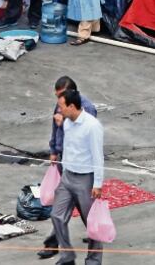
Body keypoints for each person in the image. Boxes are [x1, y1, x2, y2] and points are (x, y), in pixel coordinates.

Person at [38, 77, 99, 260]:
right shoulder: (61, 106)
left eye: (61, 98)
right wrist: (54, 151)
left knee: (84, 210)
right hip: (67, 166)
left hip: (83, 169)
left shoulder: (88, 111)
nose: (58, 104)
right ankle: (59, 248)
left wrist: (63, 121)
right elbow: (56, 130)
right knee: (59, 211)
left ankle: (94, 251)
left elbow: (84, 139)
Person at [51, 89, 105, 265]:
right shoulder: (67, 123)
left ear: (72, 106)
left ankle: (93, 260)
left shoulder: (92, 126)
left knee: (92, 223)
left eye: (61, 107)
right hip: (68, 177)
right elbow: (68, 149)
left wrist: (97, 183)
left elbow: (98, 156)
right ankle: (67, 256)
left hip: (85, 180)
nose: (59, 111)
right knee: (57, 216)